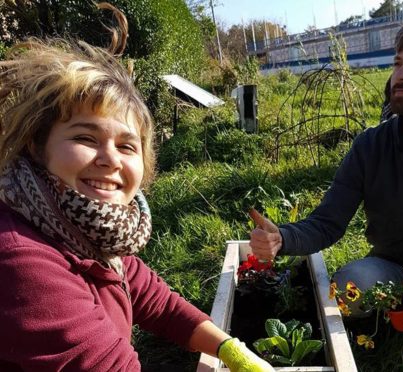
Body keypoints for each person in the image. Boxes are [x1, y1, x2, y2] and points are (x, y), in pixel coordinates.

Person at [0, 3, 274, 371]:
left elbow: (157, 302)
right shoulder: (19, 259)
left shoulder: (82, 231)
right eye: (85, 137)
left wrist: (230, 348)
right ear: (37, 146)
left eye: (127, 146)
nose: (111, 159)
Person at [249, 9, 403, 367]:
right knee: (345, 288)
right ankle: (384, 324)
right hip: (389, 267)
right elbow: (328, 221)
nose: (401, 75)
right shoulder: (370, 146)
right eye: (399, 62)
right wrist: (282, 238)